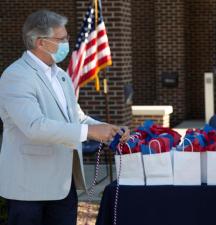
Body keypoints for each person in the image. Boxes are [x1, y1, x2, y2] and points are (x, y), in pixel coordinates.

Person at [0, 10, 130, 225]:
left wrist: (107, 129)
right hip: (28, 189)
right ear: (40, 42)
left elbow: (76, 118)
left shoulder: (60, 76)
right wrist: (89, 132)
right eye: (61, 39)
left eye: (67, 38)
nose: (67, 44)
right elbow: (34, 126)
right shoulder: (16, 76)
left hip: (63, 184)